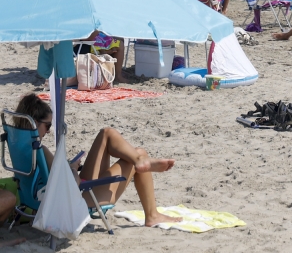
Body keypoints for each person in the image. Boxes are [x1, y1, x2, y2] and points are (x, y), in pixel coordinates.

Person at [12, 93, 180, 227]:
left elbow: (51, 178)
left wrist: (68, 167)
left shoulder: (19, 147)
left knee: (106, 134)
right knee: (138, 154)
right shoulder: (41, 151)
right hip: (73, 203)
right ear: (35, 123)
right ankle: (152, 213)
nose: (48, 131)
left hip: (48, 198)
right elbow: (73, 184)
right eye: (47, 126)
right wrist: (72, 168)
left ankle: (140, 160)